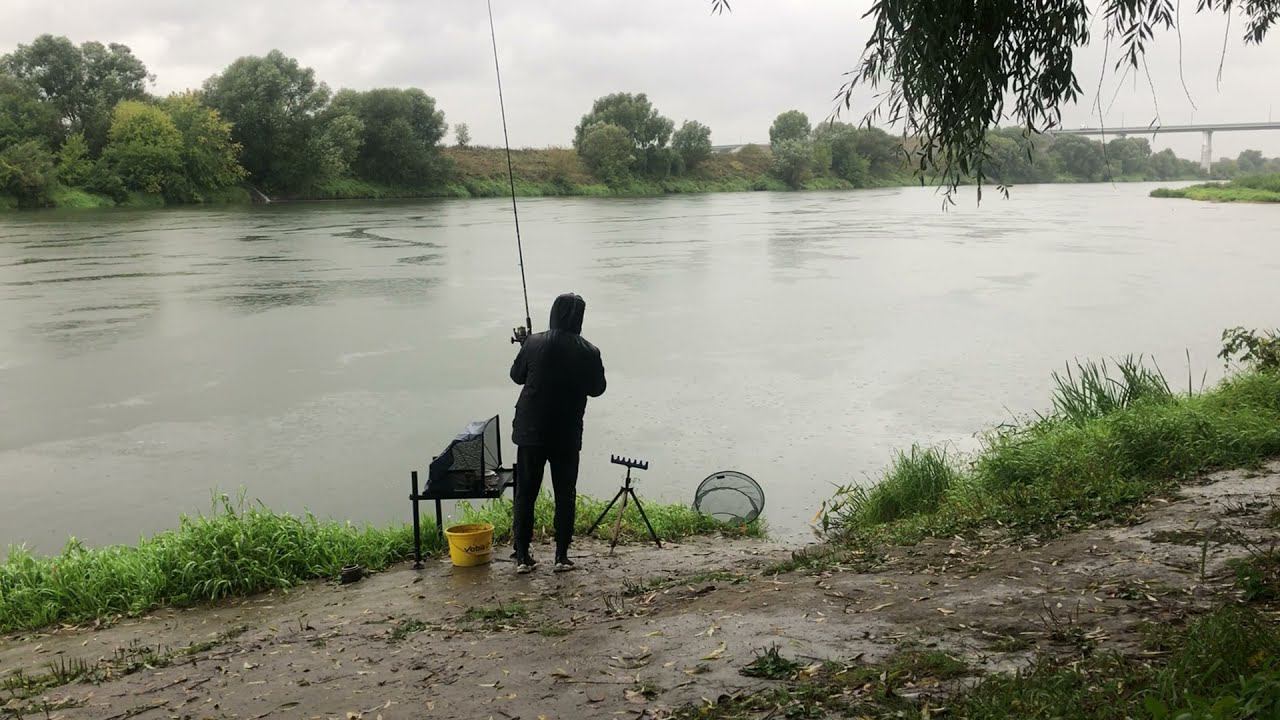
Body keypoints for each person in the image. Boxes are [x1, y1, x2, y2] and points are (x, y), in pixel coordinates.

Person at [509, 293, 606, 573]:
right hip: (566, 433)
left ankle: (522, 556)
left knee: (526, 493)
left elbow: (517, 376)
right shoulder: (590, 351)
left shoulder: (534, 343)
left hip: (531, 431)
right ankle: (561, 556)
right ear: (579, 319)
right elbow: (597, 389)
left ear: (553, 313)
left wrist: (525, 346)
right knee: (565, 494)